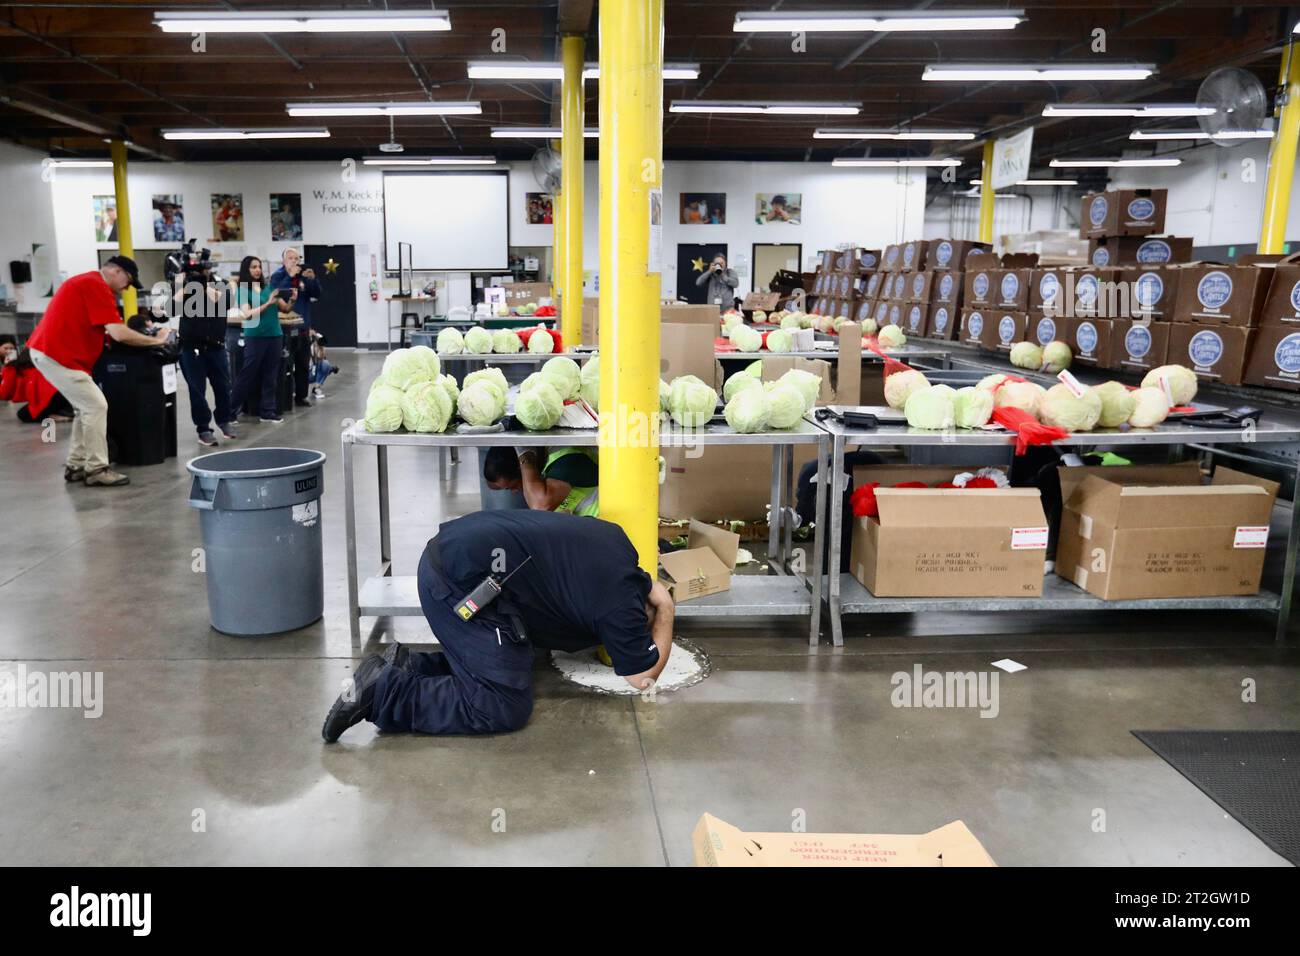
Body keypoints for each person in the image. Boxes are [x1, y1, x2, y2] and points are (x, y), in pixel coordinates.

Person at [322, 510, 675, 741]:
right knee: (501, 704)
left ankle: (409, 666)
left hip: (455, 554)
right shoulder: (616, 607)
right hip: (456, 585)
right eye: (638, 628)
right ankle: (385, 693)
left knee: (515, 662)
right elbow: (642, 678)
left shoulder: (619, 545)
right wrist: (668, 612)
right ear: (639, 612)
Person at [26, 256, 168, 486]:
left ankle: (76, 465)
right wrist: (157, 341)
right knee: (96, 406)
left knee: (85, 409)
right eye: (128, 280)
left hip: (53, 354)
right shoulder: (96, 285)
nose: (128, 288)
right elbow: (119, 333)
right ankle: (96, 469)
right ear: (116, 271)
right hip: (56, 355)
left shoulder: (88, 283)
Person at [174, 254, 238, 447]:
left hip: (216, 346)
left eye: (202, 270)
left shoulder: (221, 284)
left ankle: (224, 419)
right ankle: (203, 429)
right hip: (191, 348)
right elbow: (169, 309)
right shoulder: (182, 287)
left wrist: (206, 289)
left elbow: (226, 303)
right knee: (197, 391)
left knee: (223, 386)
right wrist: (183, 288)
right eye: (196, 272)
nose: (200, 274)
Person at [228, 256, 287, 425]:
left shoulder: (267, 288)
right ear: (246, 269)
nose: (257, 270)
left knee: (271, 375)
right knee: (247, 374)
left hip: (275, 335)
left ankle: (267, 411)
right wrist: (268, 303)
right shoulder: (243, 290)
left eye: (259, 267)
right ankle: (230, 411)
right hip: (255, 336)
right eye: (253, 267)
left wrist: (291, 298)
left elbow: (285, 308)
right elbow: (247, 314)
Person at [268, 247, 322, 408]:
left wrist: (312, 280)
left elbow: (317, 294)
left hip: (303, 326)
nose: (294, 261)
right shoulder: (278, 275)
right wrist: (289, 277)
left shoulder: (304, 274)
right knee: (285, 364)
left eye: (297, 258)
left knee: (303, 364)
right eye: (291, 258)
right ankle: (284, 396)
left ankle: (301, 396)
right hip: (284, 326)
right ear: (283, 261)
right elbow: (277, 294)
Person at [483, 445, 599, 515]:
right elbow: (492, 483)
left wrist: (525, 456)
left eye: (512, 486)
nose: (514, 491)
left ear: (522, 469)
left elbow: (540, 507)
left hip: (605, 528)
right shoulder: (542, 466)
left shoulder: (568, 459)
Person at [0, 346, 73, 423]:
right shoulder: (39, 364)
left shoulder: (13, 367)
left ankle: (55, 417)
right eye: (6, 348)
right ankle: (64, 413)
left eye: (11, 348)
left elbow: (5, 393)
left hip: (51, 397)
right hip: (64, 394)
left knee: (23, 414)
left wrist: (8, 368)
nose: (9, 351)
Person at [308, 329, 338, 399]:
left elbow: (321, 361)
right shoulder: (310, 347)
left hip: (313, 372)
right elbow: (316, 361)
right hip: (306, 374)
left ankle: (316, 388)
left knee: (326, 364)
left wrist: (321, 348)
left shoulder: (321, 348)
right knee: (324, 365)